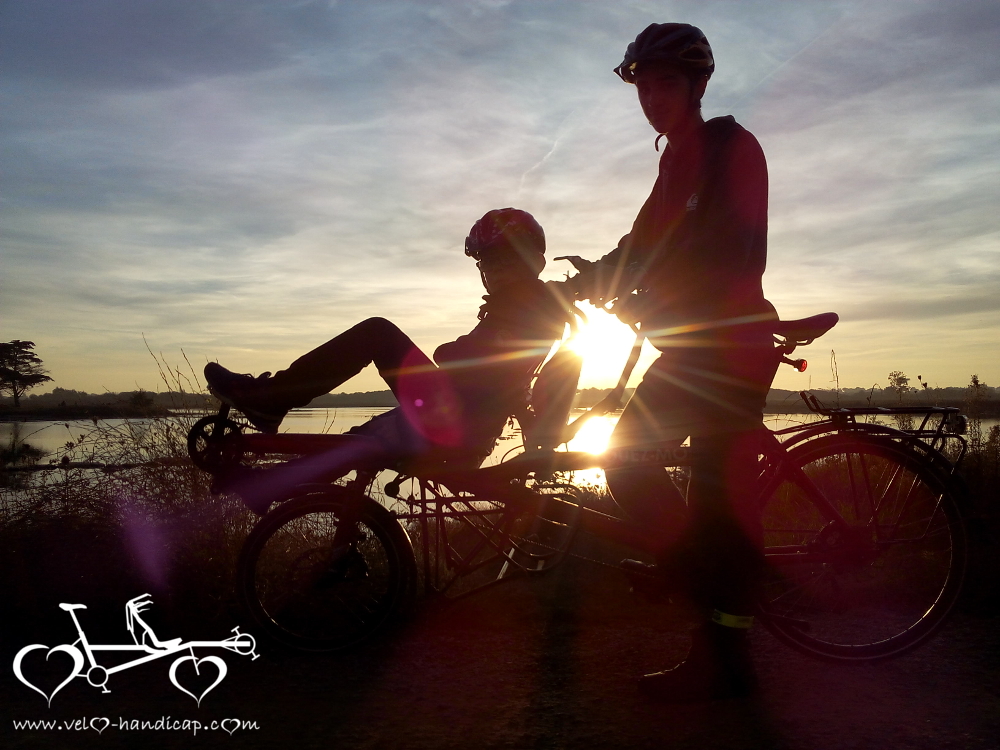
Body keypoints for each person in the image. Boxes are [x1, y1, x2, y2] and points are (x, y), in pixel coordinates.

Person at [567, 23, 779, 701]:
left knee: (648, 466)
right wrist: (574, 287)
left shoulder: (730, 148)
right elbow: (641, 243)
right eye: (644, 84)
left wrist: (655, 291)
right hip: (696, 348)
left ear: (698, 85)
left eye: (666, 83)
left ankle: (722, 631)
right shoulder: (675, 160)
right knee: (678, 485)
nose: (653, 96)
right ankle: (713, 611)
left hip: (729, 349)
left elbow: (738, 255)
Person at [204, 208, 575, 510]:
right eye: (487, 262)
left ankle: (270, 404)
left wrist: (452, 350)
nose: (493, 270)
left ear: (532, 260)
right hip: (463, 420)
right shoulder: (526, 306)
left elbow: (466, 363)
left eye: (503, 260)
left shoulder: (528, 307)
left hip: (458, 420)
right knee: (358, 442)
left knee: (377, 333)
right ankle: (269, 481)